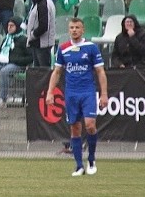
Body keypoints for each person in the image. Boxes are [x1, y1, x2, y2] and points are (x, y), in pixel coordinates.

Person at [46, 17, 108, 177]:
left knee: (90, 125)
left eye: (77, 27)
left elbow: (100, 72)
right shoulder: (63, 49)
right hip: (71, 93)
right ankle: (79, 166)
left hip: (87, 91)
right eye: (72, 27)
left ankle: (92, 160)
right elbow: (57, 72)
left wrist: (104, 94)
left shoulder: (91, 48)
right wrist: (50, 92)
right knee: (74, 128)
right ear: (69, 30)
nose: (74, 30)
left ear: (83, 30)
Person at [26, 0, 55, 67]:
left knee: (43, 72)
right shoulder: (41, 3)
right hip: (37, 44)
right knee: (38, 73)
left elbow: (43, 26)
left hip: (42, 45)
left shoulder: (44, 5)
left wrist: (32, 35)